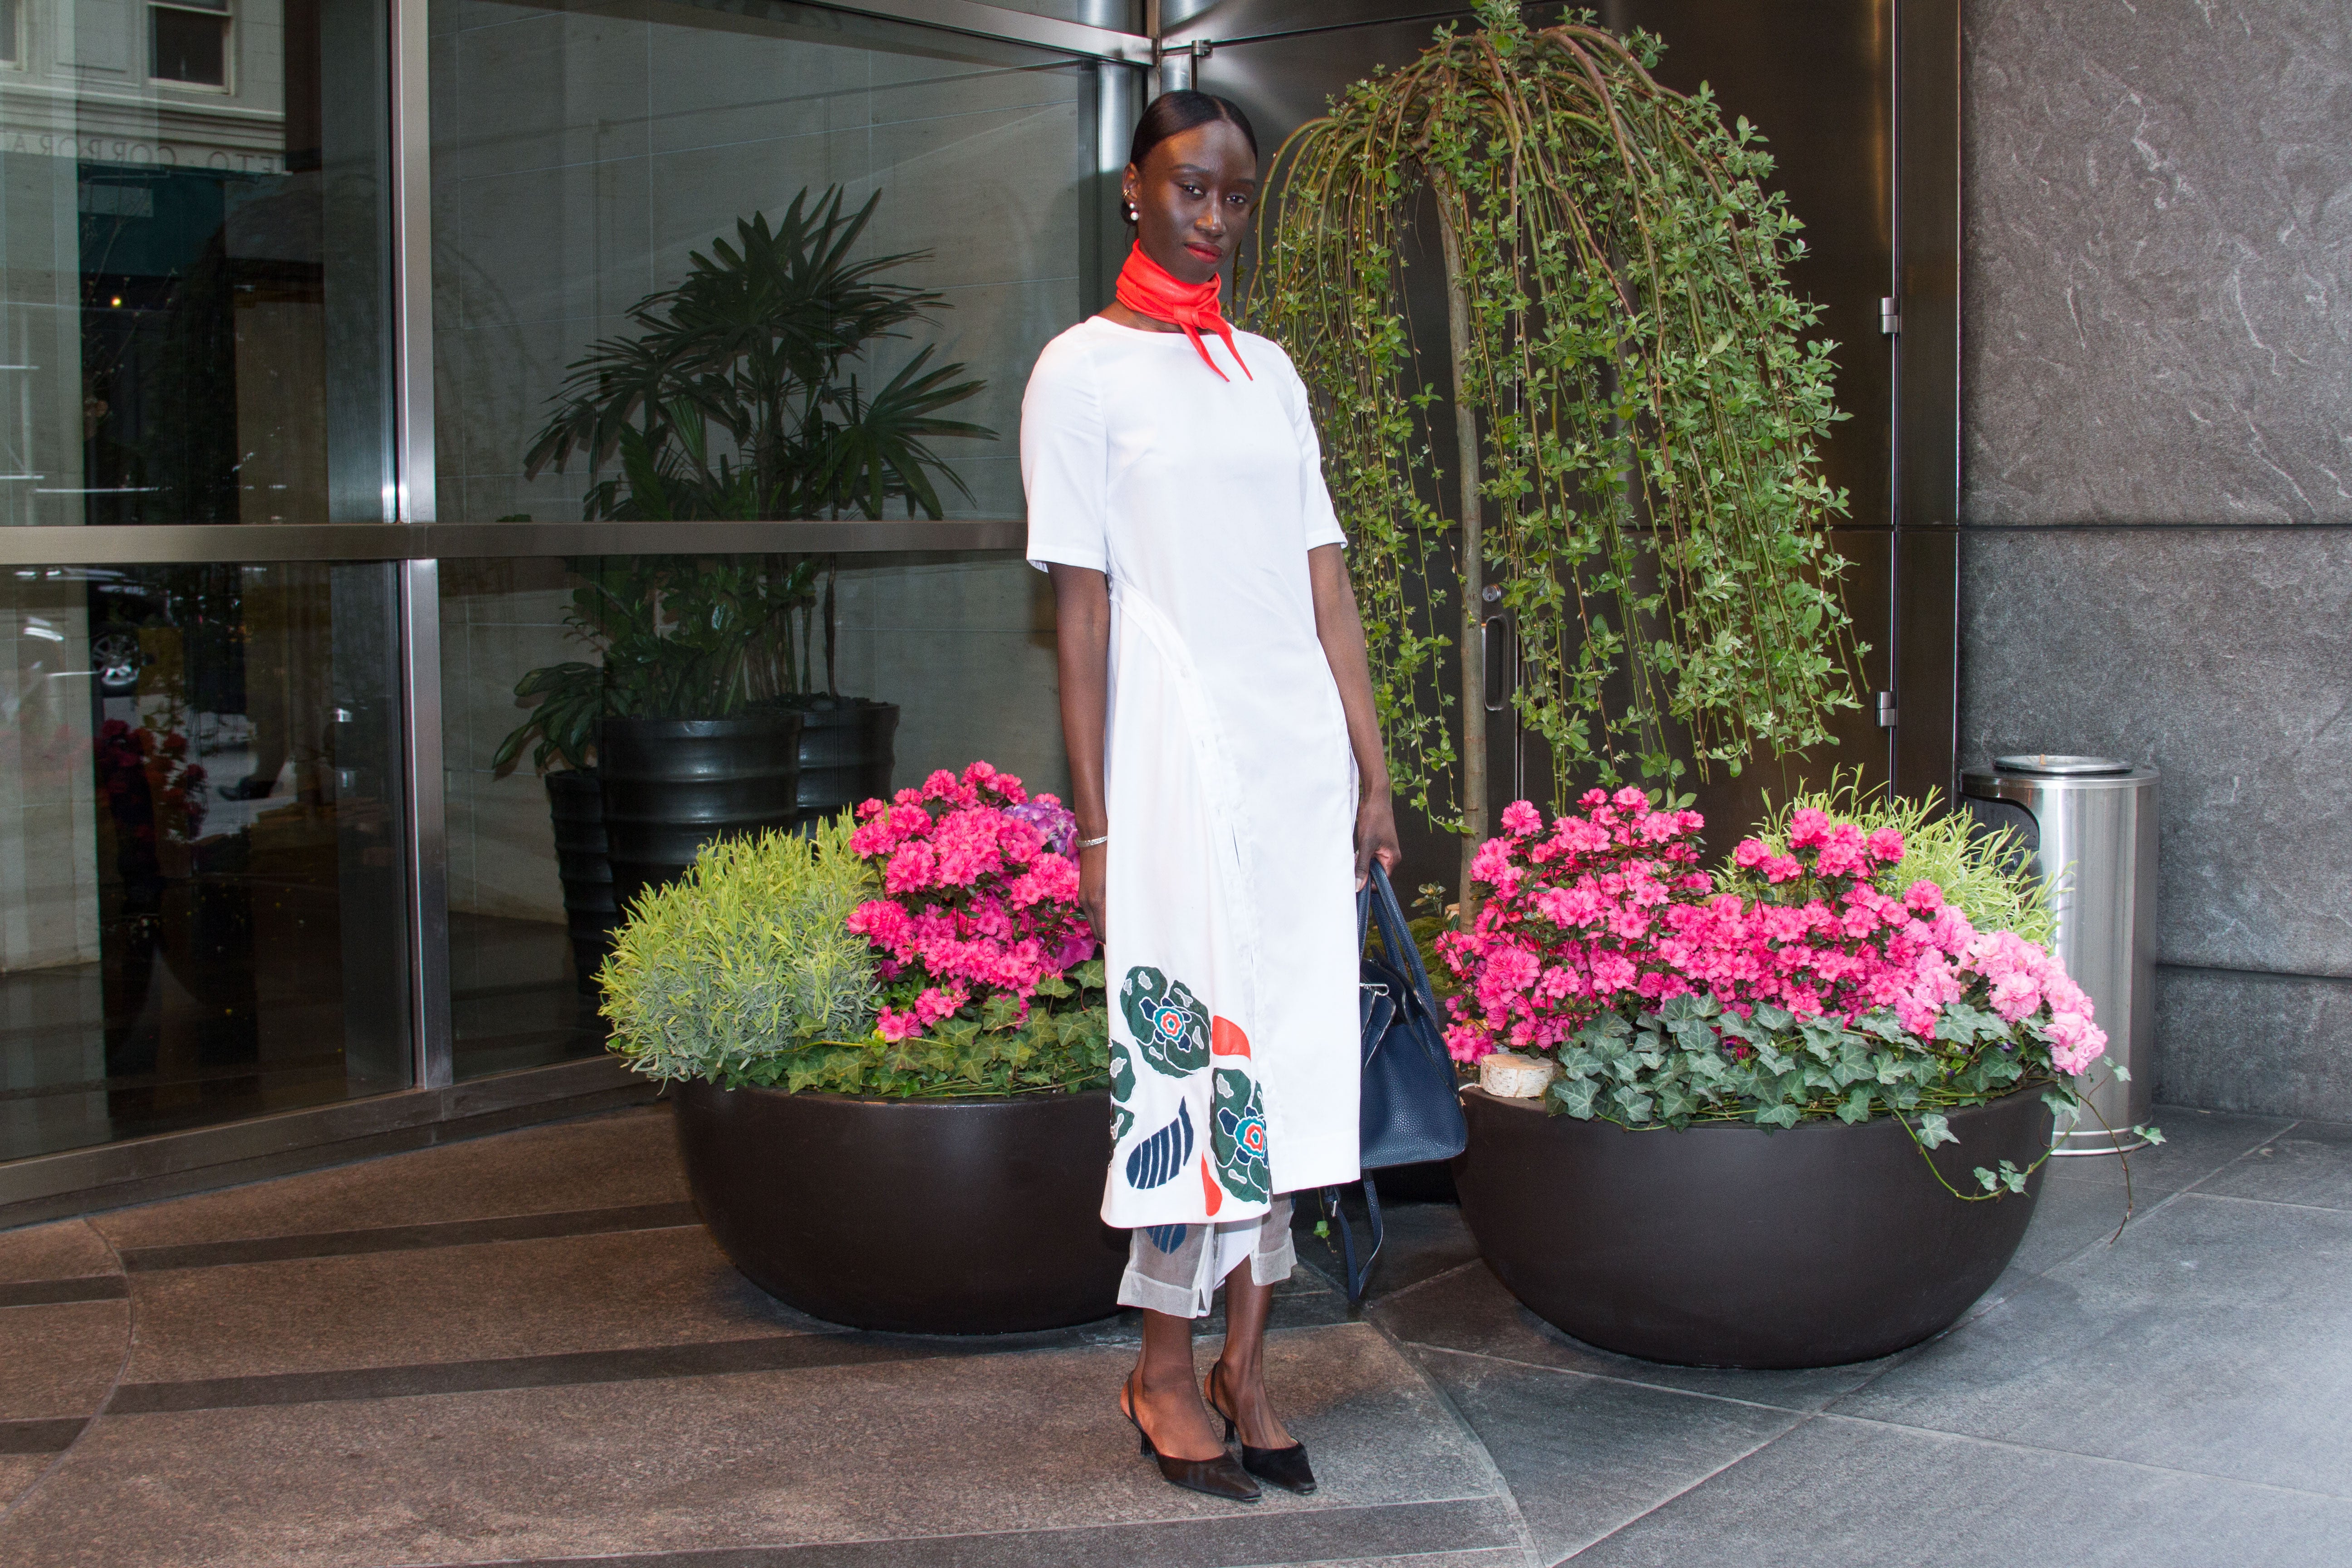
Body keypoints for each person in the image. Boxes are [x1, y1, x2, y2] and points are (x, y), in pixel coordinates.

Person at [1020, 90, 1401, 1504]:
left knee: (1290, 1060)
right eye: (1192, 188)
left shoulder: (1270, 371)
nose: (1217, 217)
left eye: (1238, 195)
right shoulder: (1080, 372)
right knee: (1188, 1065)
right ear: (1135, 188)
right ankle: (1162, 1367)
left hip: (1295, 764)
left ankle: (1251, 1364)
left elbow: (1325, 581)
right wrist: (1097, 823)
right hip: (1173, 768)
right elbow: (1081, 616)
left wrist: (1370, 767)